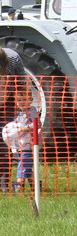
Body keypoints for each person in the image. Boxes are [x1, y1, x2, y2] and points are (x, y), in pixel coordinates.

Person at [0, 47, 28, 193]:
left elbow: (22, 85)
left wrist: (22, 106)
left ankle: (6, 182)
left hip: (9, 103)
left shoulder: (13, 58)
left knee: (6, 142)